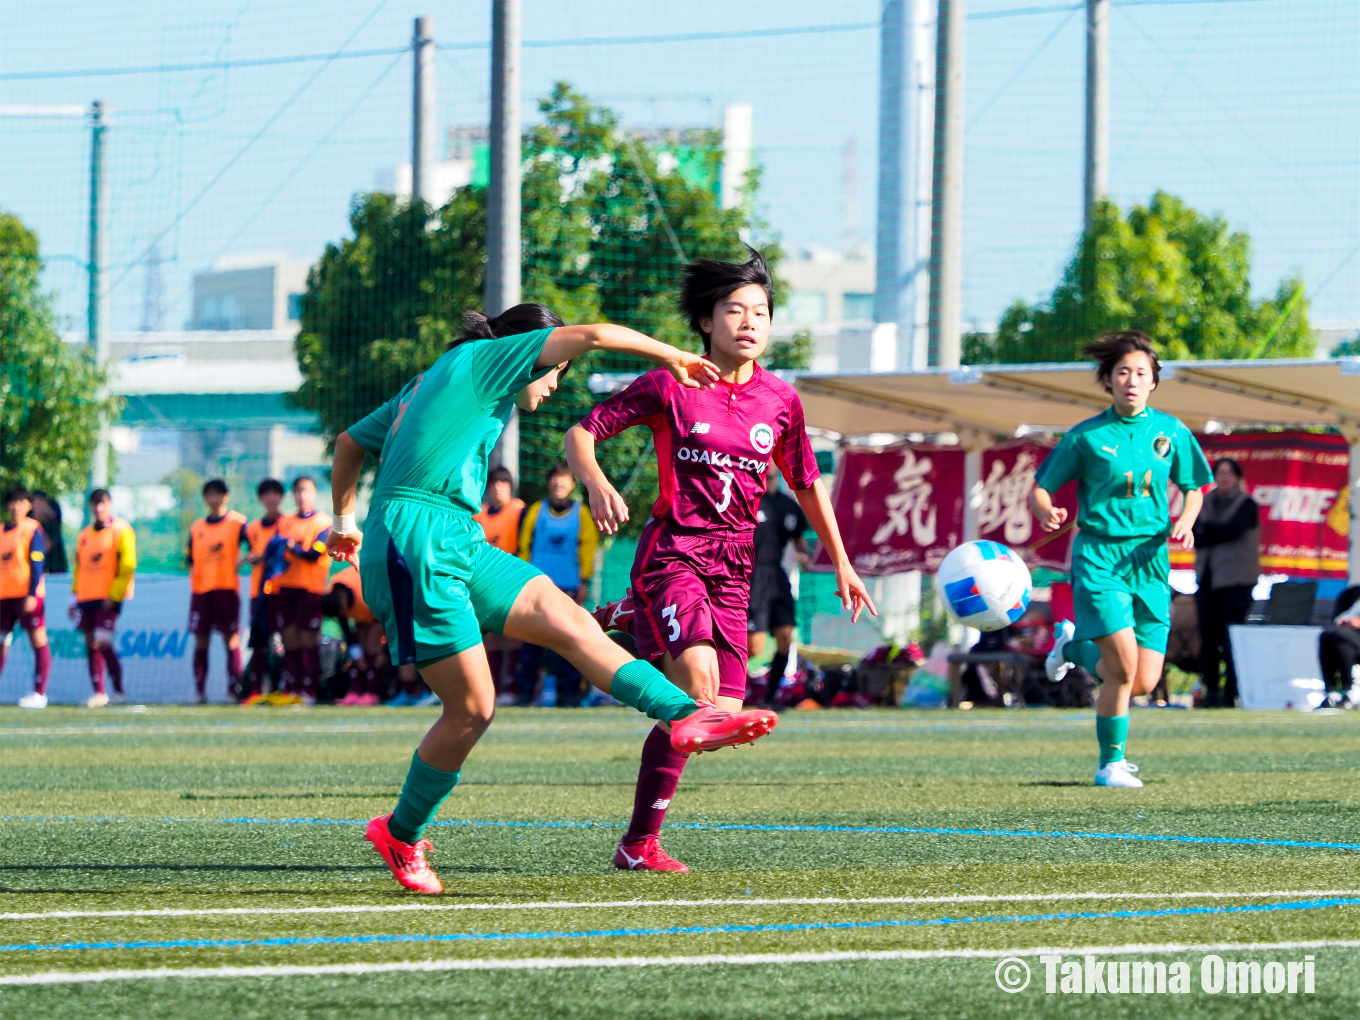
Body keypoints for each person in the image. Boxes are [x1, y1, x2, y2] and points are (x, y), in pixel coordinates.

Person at [325, 302, 780, 895]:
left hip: (460, 536)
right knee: (472, 709)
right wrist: (673, 357)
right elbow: (591, 335)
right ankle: (401, 832)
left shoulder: (433, 382)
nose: (555, 383)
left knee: (570, 622)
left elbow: (348, 443)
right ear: (535, 350)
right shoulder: (485, 360)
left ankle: (690, 713)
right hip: (416, 539)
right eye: (555, 370)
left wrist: (342, 522)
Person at [567, 248, 876, 871]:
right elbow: (580, 433)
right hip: (674, 550)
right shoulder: (671, 382)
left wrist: (841, 561)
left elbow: (808, 481)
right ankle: (644, 604)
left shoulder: (781, 401)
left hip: (736, 566)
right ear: (706, 321)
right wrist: (596, 482)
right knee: (703, 689)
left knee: (712, 716)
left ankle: (637, 844)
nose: (749, 322)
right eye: (734, 309)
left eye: (760, 311)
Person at [1032, 330, 1211, 788]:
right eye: (1122, 372)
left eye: (1141, 373)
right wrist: (1045, 509)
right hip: (1100, 558)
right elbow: (1041, 487)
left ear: (1154, 382)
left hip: (1150, 561)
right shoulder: (1086, 437)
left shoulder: (1171, 431)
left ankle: (1071, 646)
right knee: (1124, 667)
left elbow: (1195, 488)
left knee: (1145, 681)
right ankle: (1110, 763)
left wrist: (1187, 519)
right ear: (1108, 380)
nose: (1132, 380)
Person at [513, 463, 597, 707]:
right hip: (537, 587)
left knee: (568, 640)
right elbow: (524, 546)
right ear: (549, 483)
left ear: (572, 484)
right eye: (555, 478)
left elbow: (588, 549)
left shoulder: (581, 513)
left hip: (568, 588)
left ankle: (568, 694)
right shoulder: (536, 511)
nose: (559, 483)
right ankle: (526, 692)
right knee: (530, 642)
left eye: (565, 479)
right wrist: (523, 577)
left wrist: (584, 581)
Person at [1192, 457, 1260, 707]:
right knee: (1208, 639)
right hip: (1207, 580)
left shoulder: (1247, 504)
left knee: (1231, 638)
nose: (1224, 477)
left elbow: (1233, 530)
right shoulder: (1205, 503)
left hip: (1236, 582)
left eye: (1229, 473)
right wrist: (1211, 531)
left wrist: (1208, 531)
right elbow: (1195, 534)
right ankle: (1211, 691)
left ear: (1238, 478)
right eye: (1220, 473)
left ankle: (1231, 692)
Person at [748, 472, 810, 707]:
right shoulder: (749, 500)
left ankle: (770, 697)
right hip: (752, 577)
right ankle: (722, 690)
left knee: (786, 638)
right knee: (753, 647)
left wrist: (805, 554)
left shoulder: (788, 505)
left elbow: (798, 539)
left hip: (778, 575)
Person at [70, 489, 137, 708]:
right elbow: (79, 569)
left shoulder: (121, 530)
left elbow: (128, 565)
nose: (99, 508)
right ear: (90, 506)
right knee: (91, 644)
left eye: (103, 503)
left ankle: (119, 691)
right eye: (95, 504)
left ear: (110, 505)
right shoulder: (84, 535)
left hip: (108, 598)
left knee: (103, 641)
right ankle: (99, 692)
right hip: (87, 596)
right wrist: (74, 598)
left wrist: (115, 594)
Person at [186, 479, 249, 704]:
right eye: (209, 495)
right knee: (201, 642)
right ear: (205, 499)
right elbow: (189, 559)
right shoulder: (197, 528)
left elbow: (254, 546)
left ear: (226, 496)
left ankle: (234, 690)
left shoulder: (238, 523)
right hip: (202, 592)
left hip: (227, 589)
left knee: (230, 640)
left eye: (218, 494)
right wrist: (198, 573)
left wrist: (241, 562)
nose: (214, 499)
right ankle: (200, 692)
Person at [272, 476, 333, 705]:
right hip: (286, 587)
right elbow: (274, 549)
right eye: (297, 491)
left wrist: (291, 547)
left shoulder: (323, 523)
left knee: (309, 639)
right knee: (289, 639)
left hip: (310, 589)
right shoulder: (285, 522)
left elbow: (314, 555)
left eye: (306, 491)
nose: (301, 495)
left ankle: (310, 691)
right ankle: (292, 688)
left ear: (314, 493)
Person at [472, 465, 525, 693]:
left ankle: (514, 685)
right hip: (485, 583)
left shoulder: (520, 511)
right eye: (493, 484)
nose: (497, 488)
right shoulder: (479, 515)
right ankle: (492, 687)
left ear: (510, 487)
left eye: (502, 483)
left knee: (514, 634)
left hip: (512, 579)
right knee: (491, 635)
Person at [1, 488, 53, 708]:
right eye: (12, 502)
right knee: (2, 643)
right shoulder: (1, 530)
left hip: (27, 597)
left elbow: (37, 563)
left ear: (28, 506)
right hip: (4, 597)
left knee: (37, 640)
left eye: (20, 502)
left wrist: (32, 594)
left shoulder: (32, 529)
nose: (15, 507)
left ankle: (39, 693)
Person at [242, 478, 286, 702]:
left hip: (281, 591)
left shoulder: (288, 524)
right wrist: (250, 558)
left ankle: (281, 689)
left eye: (275, 493)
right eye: (266, 494)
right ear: (260, 499)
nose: (270, 498)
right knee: (258, 642)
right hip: (257, 593)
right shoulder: (252, 528)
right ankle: (256, 691)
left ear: (281, 497)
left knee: (280, 641)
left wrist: (267, 556)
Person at [1318, 585, 1360, 704]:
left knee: (1340, 636)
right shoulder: (1353, 594)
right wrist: (1342, 620)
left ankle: (1348, 690)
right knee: (1327, 636)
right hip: (1349, 636)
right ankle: (1332, 692)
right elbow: (1343, 616)